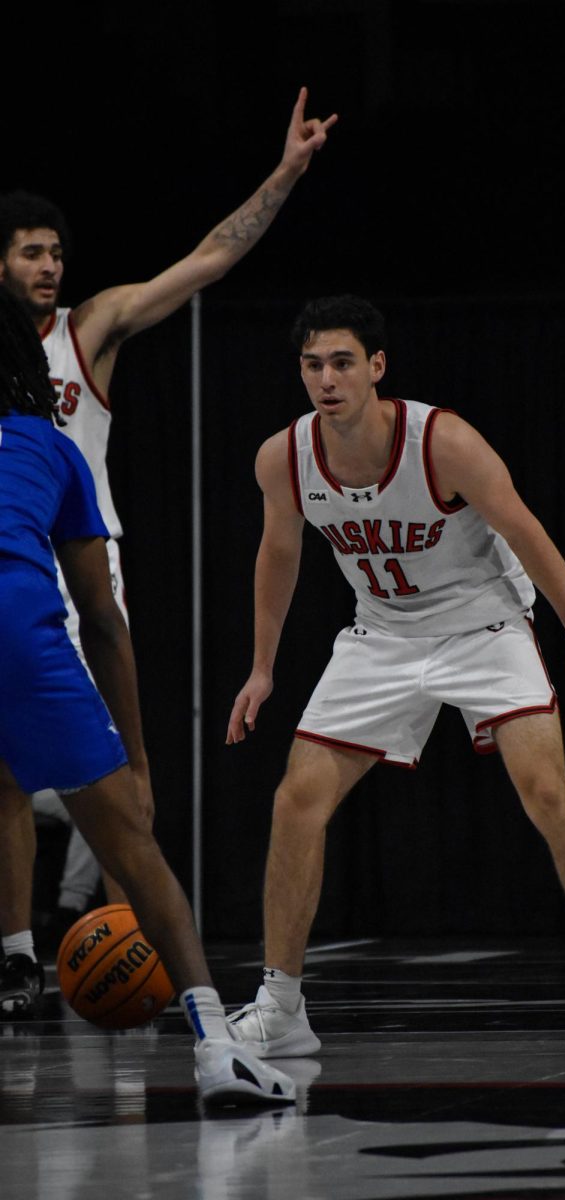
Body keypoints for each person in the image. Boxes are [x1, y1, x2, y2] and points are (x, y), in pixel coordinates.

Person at [225, 294, 565, 1059]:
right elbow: (279, 557)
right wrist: (261, 668)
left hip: (482, 624)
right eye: (312, 365)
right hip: (381, 636)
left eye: (341, 363)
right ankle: (283, 1007)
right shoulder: (283, 456)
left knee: (549, 791)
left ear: (376, 367)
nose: (326, 379)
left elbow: (525, 530)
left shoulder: (442, 440)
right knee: (296, 800)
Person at [0, 88, 337, 989]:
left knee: (111, 783)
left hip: (77, 566)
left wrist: (286, 172)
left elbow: (205, 263)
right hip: (10, 562)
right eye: (31, 252)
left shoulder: (89, 329)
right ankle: (16, 961)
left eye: (57, 252)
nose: (50, 266)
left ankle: (125, 953)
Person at [0, 286, 295, 1104]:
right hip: (20, 631)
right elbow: (102, 618)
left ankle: (14, 951)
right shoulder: (51, 447)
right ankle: (216, 1050)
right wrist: (137, 760)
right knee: (132, 846)